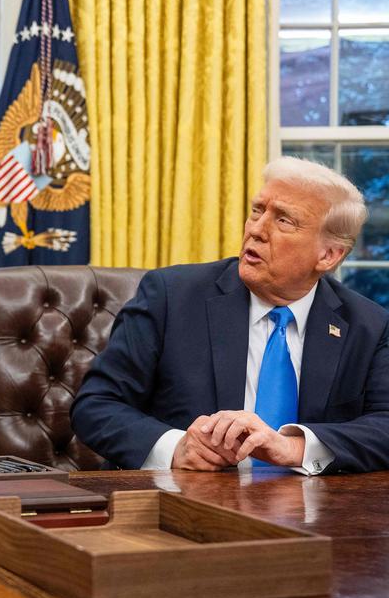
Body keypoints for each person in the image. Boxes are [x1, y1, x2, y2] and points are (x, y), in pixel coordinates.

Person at [71, 157, 389, 475]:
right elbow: (96, 405)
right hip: (184, 506)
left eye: (284, 221)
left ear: (328, 255)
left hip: (313, 515)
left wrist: (295, 447)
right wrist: (176, 448)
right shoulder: (170, 296)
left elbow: (384, 425)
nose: (256, 230)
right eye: (257, 210)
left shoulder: (368, 326)